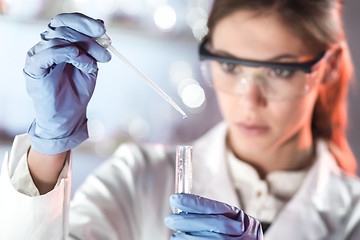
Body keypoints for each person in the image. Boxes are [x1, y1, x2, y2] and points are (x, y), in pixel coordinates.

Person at [1, 0, 360, 239]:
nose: (250, 99)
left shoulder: (352, 217)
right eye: (231, 66)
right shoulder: (138, 176)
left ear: (326, 69)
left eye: (280, 71)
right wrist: (49, 144)